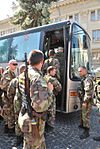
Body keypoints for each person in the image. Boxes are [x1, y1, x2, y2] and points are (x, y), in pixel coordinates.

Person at [18, 50, 53, 149]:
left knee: (29, 143)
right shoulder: (37, 78)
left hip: (25, 115)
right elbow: (40, 107)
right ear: (42, 61)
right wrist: (49, 91)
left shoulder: (22, 75)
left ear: (29, 61)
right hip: (35, 120)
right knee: (35, 144)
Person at [7, 64, 25, 146]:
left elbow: (9, 93)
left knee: (18, 120)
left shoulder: (15, 80)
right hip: (28, 105)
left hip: (17, 104)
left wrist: (12, 99)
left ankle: (18, 138)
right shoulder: (31, 80)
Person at [0, 59, 18, 133]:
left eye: (16, 64)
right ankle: (10, 129)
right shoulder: (7, 74)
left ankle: (7, 127)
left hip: (10, 96)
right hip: (7, 96)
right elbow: (3, 86)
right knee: (9, 112)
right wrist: (12, 90)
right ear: (9, 65)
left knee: (8, 112)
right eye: (14, 64)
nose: (15, 66)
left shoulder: (12, 73)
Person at [78, 66, 94, 139]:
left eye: (80, 71)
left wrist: (85, 102)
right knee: (83, 113)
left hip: (87, 101)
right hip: (84, 99)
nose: (79, 73)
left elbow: (88, 92)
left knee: (86, 115)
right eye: (78, 71)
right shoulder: (84, 78)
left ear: (85, 71)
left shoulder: (88, 79)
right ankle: (82, 125)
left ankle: (86, 131)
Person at [44, 66, 62, 131]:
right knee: (51, 112)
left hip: (43, 97)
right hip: (51, 96)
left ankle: (44, 125)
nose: (55, 72)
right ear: (50, 71)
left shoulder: (43, 77)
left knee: (45, 111)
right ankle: (50, 126)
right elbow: (59, 88)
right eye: (54, 71)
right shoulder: (53, 79)